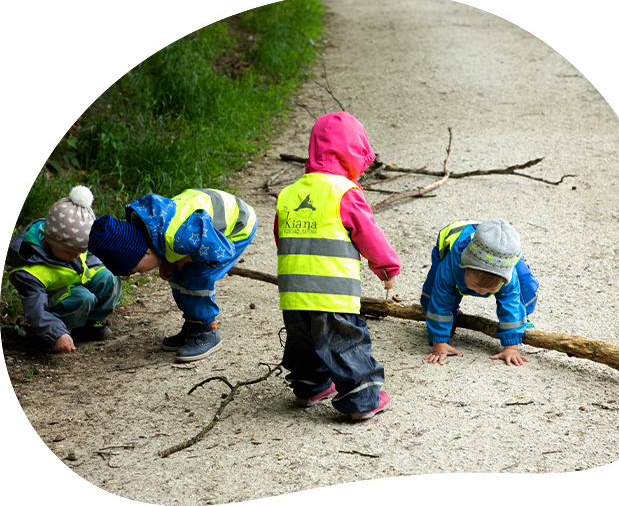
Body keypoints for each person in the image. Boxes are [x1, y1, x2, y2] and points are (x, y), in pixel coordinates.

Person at [274, 111, 400, 421]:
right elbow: (368, 234)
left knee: (303, 344)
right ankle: (362, 398)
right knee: (345, 343)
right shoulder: (343, 192)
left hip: (293, 294)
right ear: (352, 155)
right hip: (331, 292)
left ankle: (310, 386)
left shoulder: (289, 194)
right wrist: (386, 267)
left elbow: (282, 236)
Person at [88, 188, 257, 362]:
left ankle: (207, 331)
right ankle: (194, 323)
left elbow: (222, 252)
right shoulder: (154, 233)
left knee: (195, 274)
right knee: (176, 272)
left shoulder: (180, 236)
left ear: (145, 252)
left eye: (137, 270)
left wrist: (187, 258)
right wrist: (168, 260)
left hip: (237, 226)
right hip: (204, 230)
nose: (141, 273)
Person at [8, 186, 122, 353]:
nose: (76, 255)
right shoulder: (31, 270)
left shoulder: (73, 249)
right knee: (83, 297)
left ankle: (85, 325)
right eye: (71, 251)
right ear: (52, 240)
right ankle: (54, 335)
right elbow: (36, 310)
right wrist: (56, 333)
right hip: (54, 305)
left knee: (109, 277)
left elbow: (94, 261)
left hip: (76, 286)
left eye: (81, 250)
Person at [421, 219, 539, 366]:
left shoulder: (509, 277)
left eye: (490, 289)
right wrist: (439, 342)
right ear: (464, 267)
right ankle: (444, 323)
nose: (482, 292)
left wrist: (511, 347)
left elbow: (511, 305)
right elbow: (440, 300)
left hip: (503, 257)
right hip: (454, 244)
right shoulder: (451, 265)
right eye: (475, 285)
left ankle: (523, 317)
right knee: (432, 293)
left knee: (526, 286)